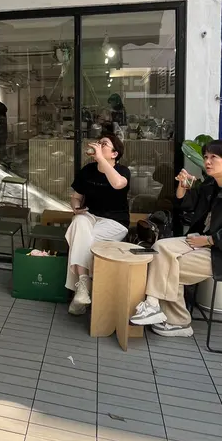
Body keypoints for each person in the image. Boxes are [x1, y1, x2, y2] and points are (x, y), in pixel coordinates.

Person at [130, 139, 222, 338]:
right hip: (205, 242)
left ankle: (178, 321)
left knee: (170, 266)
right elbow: (188, 204)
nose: (207, 161)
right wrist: (182, 187)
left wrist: (210, 240)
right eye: (206, 157)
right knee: (160, 247)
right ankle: (153, 306)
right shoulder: (212, 185)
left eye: (214, 157)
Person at [65, 135, 131, 316]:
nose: (99, 146)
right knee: (78, 222)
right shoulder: (88, 170)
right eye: (99, 143)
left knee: (81, 240)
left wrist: (101, 159)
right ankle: (84, 287)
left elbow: (118, 184)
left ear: (114, 154)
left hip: (115, 222)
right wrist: (76, 208)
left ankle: (81, 290)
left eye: (104, 144)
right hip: (90, 216)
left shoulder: (122, 171)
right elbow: (76, 197)